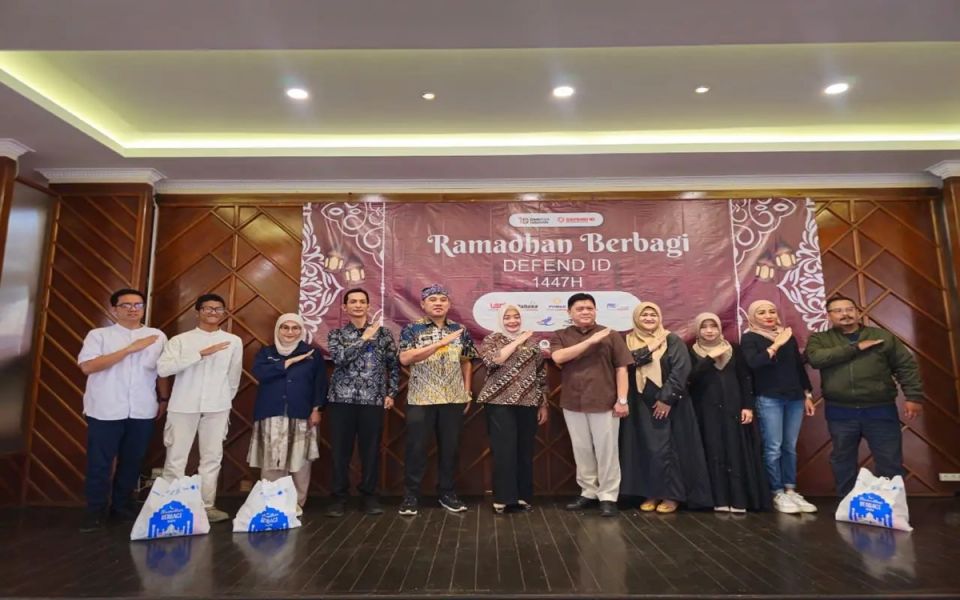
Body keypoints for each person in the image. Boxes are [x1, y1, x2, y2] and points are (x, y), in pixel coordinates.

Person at [805, 295, 924, 496]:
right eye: (838, 311)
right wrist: (856, 347)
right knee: (842, 460)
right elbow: (816, 359)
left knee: (889, 459)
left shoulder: (882, 336)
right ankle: (848, 502)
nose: (845, 314)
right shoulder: (820, 339)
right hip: (840, 411)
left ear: (858, 312)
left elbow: (906, 366)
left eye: (849, 309)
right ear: (829, 316)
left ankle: (891, 503)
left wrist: (913, 396)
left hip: (880, 409)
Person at [77, 289, 168, 531]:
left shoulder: (157, 336)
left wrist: (163, 399)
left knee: (132, 462)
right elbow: (88, 366)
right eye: (126, 305)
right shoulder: (99, 335)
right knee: (99, 463)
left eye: (138, 304)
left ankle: (122, 507)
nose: (133, 309)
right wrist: (129, 349)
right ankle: (95, 511)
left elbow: (161, 370)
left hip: (142, 409)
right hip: (105, 409)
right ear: (114, 309)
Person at [157, 293, 243, 523]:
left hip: (218, 406)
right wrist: (199, 354)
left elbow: (233, 376)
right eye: (208, 308)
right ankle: (170, 506)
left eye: (218, 309)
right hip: (183, 405)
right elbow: (164, 369)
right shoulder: (180, 340)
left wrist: (223, 399)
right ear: (198, 312)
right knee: (176, 457)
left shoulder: (233, 341)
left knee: (212, 457)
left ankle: (206, 505)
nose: (213, 312)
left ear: (224, 313)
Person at [620, 301, 712, 513]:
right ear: (636, 318)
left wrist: (666, 399)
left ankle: (672, 495)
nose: (649, 318)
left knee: (671, 450)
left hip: (671, 405)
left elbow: (681, 370)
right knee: (646, 449)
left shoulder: (672, 340)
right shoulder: (627, 341)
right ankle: (651, 493)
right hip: (639, 404)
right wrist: (650, 347)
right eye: (644, 315)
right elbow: (628, 363)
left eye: (653, 314)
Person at [549, 292, 632, 518]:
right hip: (573, 402)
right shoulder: (561, 334)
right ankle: (588, 492)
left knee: (607, 451)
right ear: (569, 312)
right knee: (582, 449)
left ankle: (608, 496)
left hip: (605, 401)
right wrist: (590, 342)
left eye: (589, 308)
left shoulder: (611, 334)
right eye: (580, 309)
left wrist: (622, 400)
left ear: (595, 310)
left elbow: (622, 369)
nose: (585, 312)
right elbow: (558, 357)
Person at [398, 283, 478, 516]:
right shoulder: (412, 329)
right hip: (421, 398)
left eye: (443, 299)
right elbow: (405, 359)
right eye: (433, 300)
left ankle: (447, 494)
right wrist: (439, 344)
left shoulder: (460, 330)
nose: (438, 303)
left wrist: (467, 390)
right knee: (416, 449)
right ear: (423, 304)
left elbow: (466, 361)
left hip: (453, 397)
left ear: (449, 304)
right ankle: (411, 497)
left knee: (450, 449)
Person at [325, 288, 400, 517]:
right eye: (353, 302)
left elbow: (393, 365)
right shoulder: (336, 334)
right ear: (344, 307)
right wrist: (364, 338)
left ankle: (369, 496)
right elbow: (340, 359)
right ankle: (339, 498)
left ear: (368, 306)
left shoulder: (384, 334)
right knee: (340, 452)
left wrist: (391, 392)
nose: (357, 305)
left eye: (362, 301)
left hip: (373, 400)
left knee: (371, 451)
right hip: (341, 400)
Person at [740, 299, 817, 514]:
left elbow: (798, 367)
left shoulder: (787, 335)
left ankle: (790, 489)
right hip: (769, 397)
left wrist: (807, 394)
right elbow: (753, 363)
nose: (768, 316)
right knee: (773, 446)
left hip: (794, 397)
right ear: (753, 316)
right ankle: (776, 491)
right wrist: (776, 345)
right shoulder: (750, 337)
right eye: (762, 312)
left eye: (772, 311)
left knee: (789, 446)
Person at [687, 312, 770, 512]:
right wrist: (709, 359)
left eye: (713, 326)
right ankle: (719, 500)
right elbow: (689, 379)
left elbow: (745, 378)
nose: (709, 331)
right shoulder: (690, 351)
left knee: (736, 450)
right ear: (697, 330)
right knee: (713, 451)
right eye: (704, 327)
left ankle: (739, 499)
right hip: (705, 411)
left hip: (734, 409)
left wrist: (747, 406)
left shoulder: (734, 349)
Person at [248, 313, 327, 516]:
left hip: (301, 413)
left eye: (295, 328)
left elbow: (320, 384)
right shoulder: (267, 353)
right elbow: (260, 373)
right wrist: (287, 363)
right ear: (278, 329)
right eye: (285, 327)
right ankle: (272, 501)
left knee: (300, 461)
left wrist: (316, 409)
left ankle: (296, 502)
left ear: (301, 330)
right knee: (272, 459)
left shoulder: (311, 354)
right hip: (271, 412)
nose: (290, 332)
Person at [476, 304, 549, 514]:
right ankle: (503, 498)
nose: (512, 321)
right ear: (501, 320)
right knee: (503, 451)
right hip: (499, 402)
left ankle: (523, 497)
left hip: (528, 402)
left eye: (516, 317)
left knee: (525, 451)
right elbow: (494, 360)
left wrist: (543, 403)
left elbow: (540, 374)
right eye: (507, 317)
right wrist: (518, 340)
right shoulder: (492, 339)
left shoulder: (532, 344)